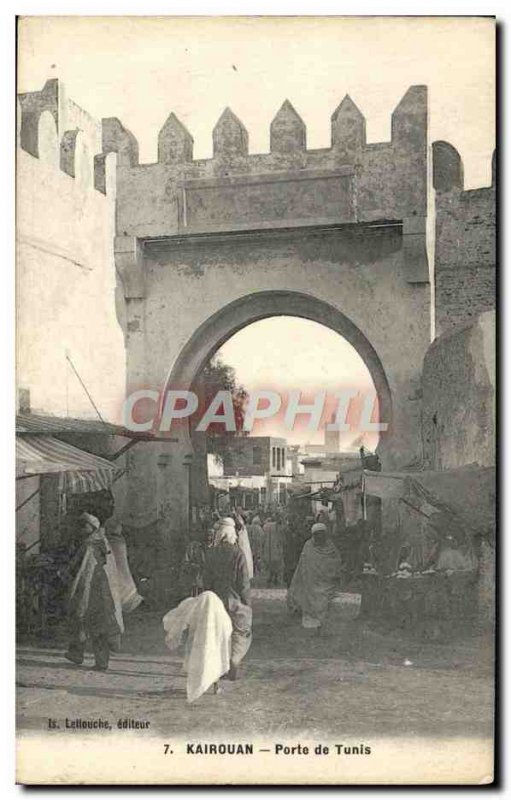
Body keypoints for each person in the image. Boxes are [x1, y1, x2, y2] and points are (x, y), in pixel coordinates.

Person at [65, 513, 124, 671]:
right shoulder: (101, 542)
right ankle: (97, 660)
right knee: (97, 626)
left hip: (93, 590)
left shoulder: (91, 544)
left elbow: (80, 564)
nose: (81, 529)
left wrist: (66, 573)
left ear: (92, 527)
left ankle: (82, 655)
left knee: (85, 621)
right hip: (103, 590)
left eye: (84, 526)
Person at [204, 517, 252, 680]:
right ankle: (235, 659)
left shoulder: (211, 553)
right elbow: (243, 581)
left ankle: (221, 665)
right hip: (235, 600)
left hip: (216, 600)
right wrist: (247, 602)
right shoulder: (238, 553)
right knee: (240, 631)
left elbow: (206, 579)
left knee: (219, 633)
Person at [162, 590, 232, 702]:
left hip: (197, 643)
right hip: (213, 643)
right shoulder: (219, 612)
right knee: (214, 662)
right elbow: (227, 628)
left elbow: (184, 617)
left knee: (196, 663)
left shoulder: (198, 606)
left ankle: (194, 684)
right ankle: (215, 686)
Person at [287, 522, 342, 629]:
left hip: (326, 582)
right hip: (311, 582)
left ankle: (322, 622)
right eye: (317, 534)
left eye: (322, 534)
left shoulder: (331, 547)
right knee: (311, 602)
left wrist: (331, 571)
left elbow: (336, 561)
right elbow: (303, 564)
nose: (319, 537)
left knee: (324, 602)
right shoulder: (308, 546)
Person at [262, 514, 284, 586]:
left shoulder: (266, 526)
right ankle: (275, 578)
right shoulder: (279, 527)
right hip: (275, 546)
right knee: (276, 563)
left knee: (271, 562)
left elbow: (263, 537)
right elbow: (281, 537)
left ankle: (271, 577)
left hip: (269, 547)